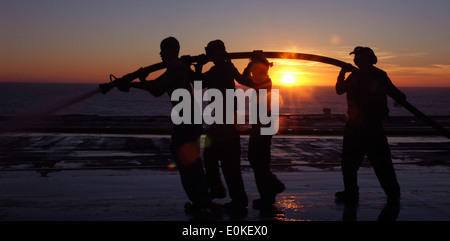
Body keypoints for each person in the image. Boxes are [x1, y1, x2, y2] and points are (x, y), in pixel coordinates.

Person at [119, 37, 212, 212]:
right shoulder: (176, 67)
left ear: (172, 50)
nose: (160, 53)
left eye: (163, 49)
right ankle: (201, 199)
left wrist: (136, 82)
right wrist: (139, 82)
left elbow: (156, 86)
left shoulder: (176, 67)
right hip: (188, 120)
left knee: (186, 161)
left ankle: (201, 201)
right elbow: (157, 91)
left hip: (188, 121)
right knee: (188, 160)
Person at [335, 46, 406, 204]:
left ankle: (392, 193)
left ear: (364, 58)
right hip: (357, 126)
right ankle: (351, 192)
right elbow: (340, 90)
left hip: (370, 126)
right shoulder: (355, 76)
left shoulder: (378, 76)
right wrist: (342, 73)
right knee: (349, 163)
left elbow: (393, 91)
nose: (356, 60)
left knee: (380, 162)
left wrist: (399, 98)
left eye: (358, 57)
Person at [193, 40, 253, 212]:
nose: (208, 54)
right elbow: (243, 80)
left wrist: (197, 68)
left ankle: (229, 195)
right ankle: (228, 194)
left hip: (223, 122)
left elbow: (198, 85)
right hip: (226, 120)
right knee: (221, 158)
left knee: (222, 159)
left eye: (209, 51)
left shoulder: (219, 69)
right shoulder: (228, 67)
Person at [241, 54, 285, 210]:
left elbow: (242, 79)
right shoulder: (263, 79)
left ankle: (273, 186)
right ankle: (268, 195)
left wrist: (248, 65)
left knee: (256, 159)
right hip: (261, 124)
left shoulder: (263, 79)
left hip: (262, 125)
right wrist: (251, 63)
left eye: (254, 69)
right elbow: (245, 79)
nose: (252, 72)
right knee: (260, 161)